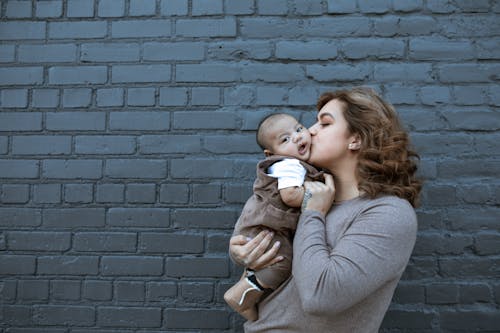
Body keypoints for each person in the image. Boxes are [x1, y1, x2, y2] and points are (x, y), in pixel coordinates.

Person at [228, 87, 422, 332]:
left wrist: (313, 213)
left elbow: (320, 296)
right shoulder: (306, 197)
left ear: (356, 139)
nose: (309, 131)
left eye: (325, 123)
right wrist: (247, 253)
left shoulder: (389, 213)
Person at [224, 113, 324, 321]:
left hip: (263, 224)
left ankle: (249, 289)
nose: (296, 137)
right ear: (271, 153)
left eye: (298, 129)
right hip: (266, 226)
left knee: (271, 261)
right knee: (281, 263)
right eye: (285, 139)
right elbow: (290, 196)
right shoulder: (290, 165)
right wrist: (318, 193)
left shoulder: (294, 164)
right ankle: (241, 296)